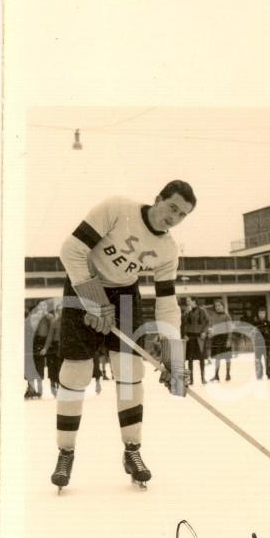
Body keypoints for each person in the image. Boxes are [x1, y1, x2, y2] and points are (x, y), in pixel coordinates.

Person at [50, 179, 197, 489]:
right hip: (83, 283)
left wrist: (173, 357)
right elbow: (71, 250)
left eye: (182, 214)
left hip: (125, 295)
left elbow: (167, 304)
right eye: (172, 207)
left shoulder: (168, 250)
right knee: (76, 372)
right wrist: (95, 302)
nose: (174, 217)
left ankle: (132, 451)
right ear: (158, 198)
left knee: (130, 372)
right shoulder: (117, 208)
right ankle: (66, 452)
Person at [181, 296, 209, 385]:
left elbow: (207, 322)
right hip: (190, 337)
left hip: (199, 337)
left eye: (189, 301)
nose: (187, 303)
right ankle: (191, 379)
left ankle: (203, 378)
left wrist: (204, 332)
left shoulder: (202, 311)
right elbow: (183, 324)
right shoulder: (187, 311)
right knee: (190, 359)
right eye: (187, 301)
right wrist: (184, 334)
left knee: (201, 358)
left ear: (194, 301)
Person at [41, 304, 63, 397]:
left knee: (61, 368)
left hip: (64, 347)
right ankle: (53, 384)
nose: (60, 312)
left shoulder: (67, 322)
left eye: (61, 310)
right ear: (56, 311)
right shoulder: (54, 322)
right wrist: (45, 348)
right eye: (58, 310)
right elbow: (50, 336)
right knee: (52, 367)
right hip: (55, 346)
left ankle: (62, 386)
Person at [209, 299, 233, 382]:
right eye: (216, 306)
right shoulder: (213, 316)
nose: (218, 307)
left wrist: (229, 340)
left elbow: (230, 329)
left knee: (227, 357)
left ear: (223, 306)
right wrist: (211, 333)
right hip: (216, 338)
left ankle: (228, 374)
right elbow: (212, 327)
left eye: (219, 305)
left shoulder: (227, 316)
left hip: (225, 338)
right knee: (217, 358)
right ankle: (216, 375)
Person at [253, 308, 270, 379]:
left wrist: (267, 331)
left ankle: (269, 373)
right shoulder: (255, 323)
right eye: (260, 313)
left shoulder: (268, 322)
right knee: (258, 359)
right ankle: (259, 373)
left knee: (267, 358)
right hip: (258, 344)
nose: (261, 315)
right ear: (258, 314)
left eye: (263, 313)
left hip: (267, 343)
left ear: (265, 314)